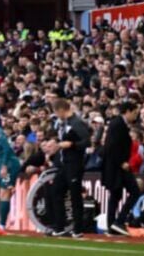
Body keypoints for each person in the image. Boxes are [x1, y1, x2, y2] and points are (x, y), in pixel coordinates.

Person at [47, 99, 89, 238]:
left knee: (75, 195)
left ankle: (78, 229)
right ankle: (59, 226)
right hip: (65, 164)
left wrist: (70, 144)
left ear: (60, 110)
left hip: (75, 164)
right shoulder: (64, 123)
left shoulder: (76, 123)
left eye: (55, 111)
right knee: (56, 191)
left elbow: (86, 142)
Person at [102, 101, 141, 236]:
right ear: (128, 111)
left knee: (115, 195)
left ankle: (113, 225)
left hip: (116, 166)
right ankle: (118, 222)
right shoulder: (118, 124)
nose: (136, 115)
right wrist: (121, 162)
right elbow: (111, 146)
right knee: (134, 192)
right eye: (135, 112)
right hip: (118, 167)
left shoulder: (118, 123)